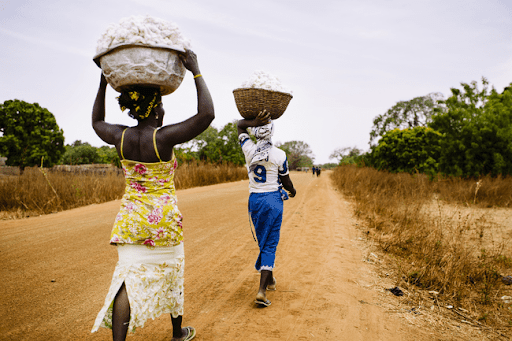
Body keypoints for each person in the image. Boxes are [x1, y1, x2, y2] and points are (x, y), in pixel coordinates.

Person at [90, 49, 214, 341]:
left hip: (131, 220)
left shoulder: (119, 137)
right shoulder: (164, 138)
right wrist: (195, 70)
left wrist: (103, 82)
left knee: (126, 279)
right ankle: (177, 333)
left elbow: (96, 122)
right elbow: (206, 114)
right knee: (173, 272)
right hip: (163, 222)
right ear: (156, 110)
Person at [237, 110, 296, 307]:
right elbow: (286, 182)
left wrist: (253, 120)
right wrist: (293, 190)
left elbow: (239, 125)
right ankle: (261, 291)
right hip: (273, 200)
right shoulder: (279, 155)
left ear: (254, 132)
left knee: (264, 239)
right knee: (270, 243)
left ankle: (269, 280)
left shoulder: (248, 149)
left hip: (255, 201)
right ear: (271, 132)